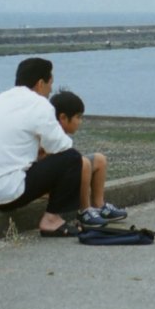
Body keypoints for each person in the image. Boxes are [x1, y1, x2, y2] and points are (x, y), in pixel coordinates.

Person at [0, 57, 120, 237]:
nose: (51, 90)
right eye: (50, 84)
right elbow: (62, 147)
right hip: (4, 194)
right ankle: (51, 220)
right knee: (72, 158)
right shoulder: (38, 104)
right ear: (40, 83)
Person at [48, 90, 126, 226]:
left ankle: (99, 205)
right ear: (63, 118)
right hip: (51, 182)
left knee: (99, 160)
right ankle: (84, 210)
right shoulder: (50, 135)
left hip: (63, 174)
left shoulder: (63, 136)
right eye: (78, 117)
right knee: (83, 163)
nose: (80, 122)